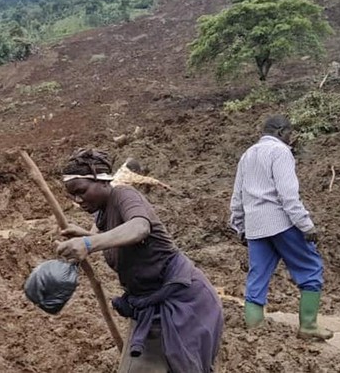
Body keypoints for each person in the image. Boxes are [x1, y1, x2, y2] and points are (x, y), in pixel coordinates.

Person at [57, 149, 223, 373]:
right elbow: (103, 232)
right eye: (73, 196)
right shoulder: (102, 213)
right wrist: (84, 236)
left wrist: (88, 245)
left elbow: (139, 227)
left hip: (183, 302)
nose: (78, 201)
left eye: (81, 191)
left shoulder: (124, 194)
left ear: (103, 180)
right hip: (147, 305)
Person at [229, 115, 333, 340]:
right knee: (310, 268)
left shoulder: (247, 155)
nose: (291, 138)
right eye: (289, 133)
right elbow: (288, 196)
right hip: (281, 223)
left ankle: (254, 328)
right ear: (280, 131)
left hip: (255, 226)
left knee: (257, 277)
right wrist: (306, 226)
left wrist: (240, 227)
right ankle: (308, 326)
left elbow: (237, 198)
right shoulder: (280, 152)